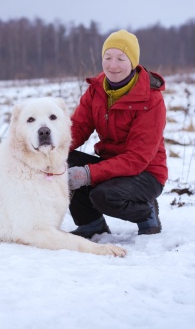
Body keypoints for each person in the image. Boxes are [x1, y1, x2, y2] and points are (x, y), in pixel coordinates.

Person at [68, 29, 168, 238]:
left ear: (132, 62)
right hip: (111, 165)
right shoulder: (96, 89)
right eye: (108, 57)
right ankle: (91, 224)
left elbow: (137, 159)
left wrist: (88, 174)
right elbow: (77, 127)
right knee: (62, 159)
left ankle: (146, 211)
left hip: (146, 173)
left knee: (104, 195)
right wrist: (50, 148)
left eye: (121, 58)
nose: (113, 65)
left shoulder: (151, 100)